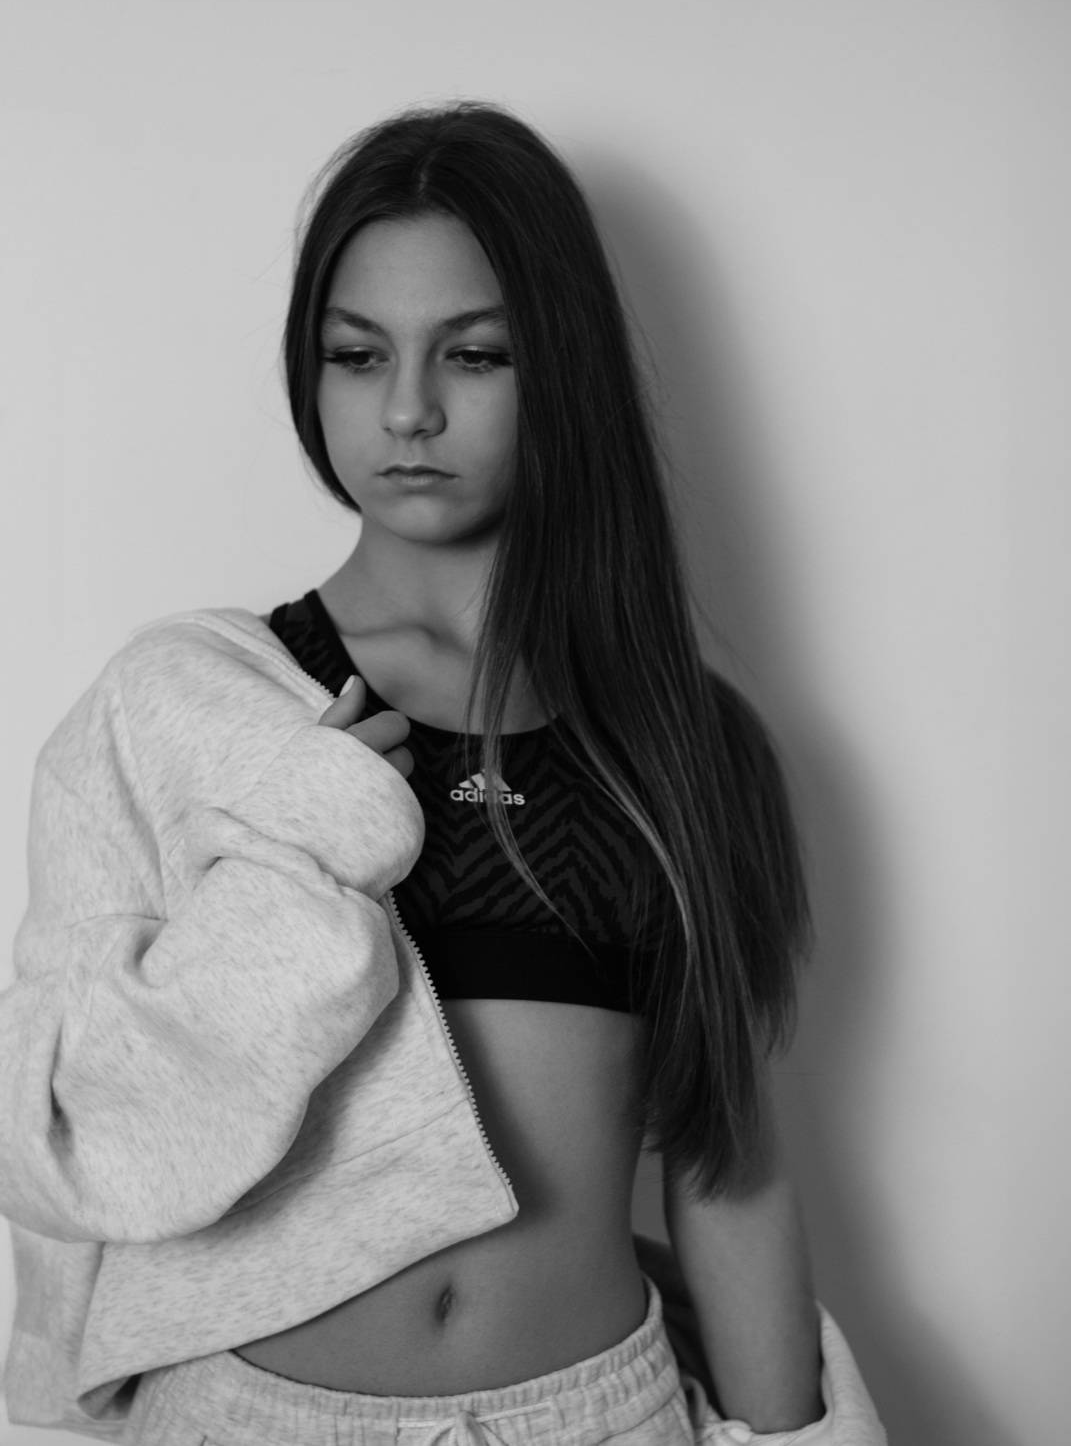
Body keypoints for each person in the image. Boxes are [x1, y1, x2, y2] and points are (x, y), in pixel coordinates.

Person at [0, 102, 885, 1444]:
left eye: (475, 354)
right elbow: (65, 1136)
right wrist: (295, 871)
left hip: (595, 1417)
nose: (409, 410)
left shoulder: (683, 748)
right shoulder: (185, 706)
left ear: (561, 371)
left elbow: (728, 1161)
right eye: (358, 355)